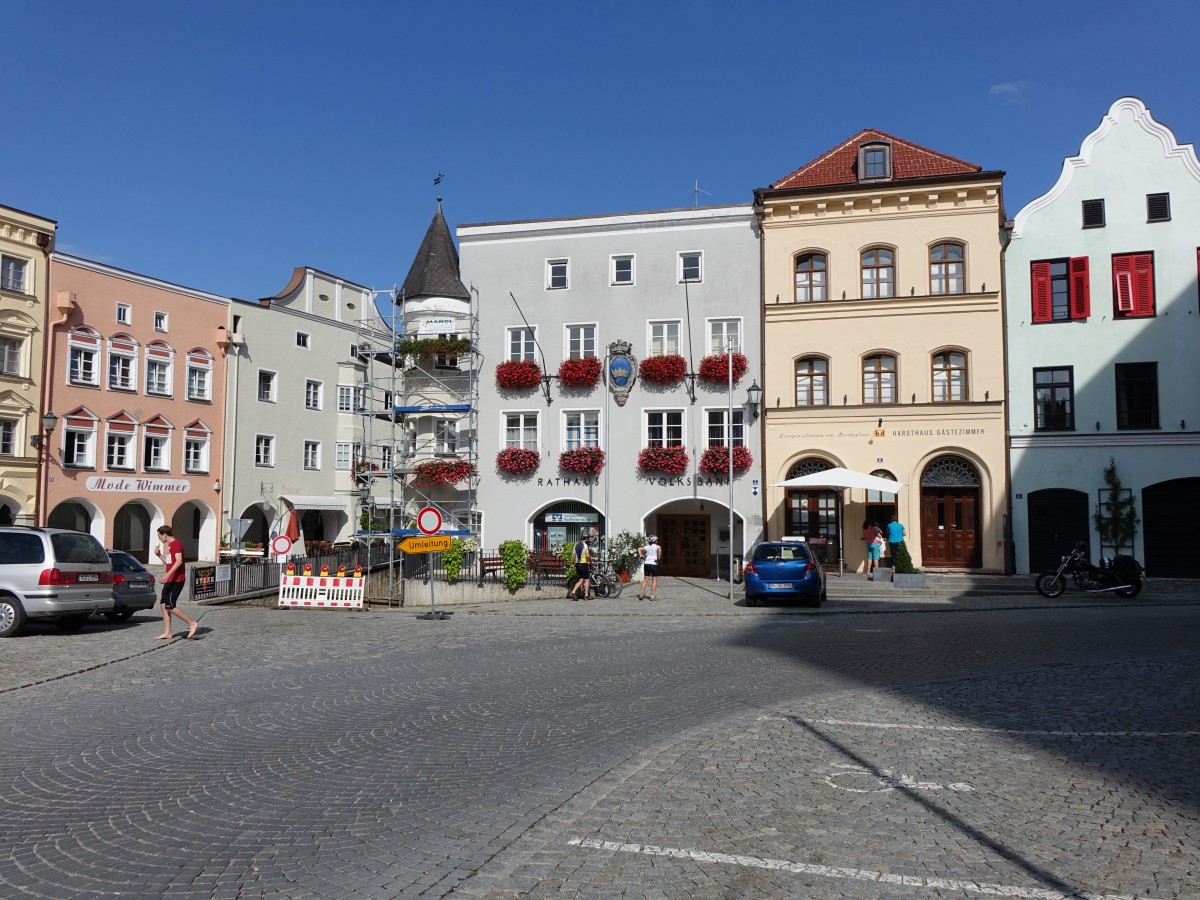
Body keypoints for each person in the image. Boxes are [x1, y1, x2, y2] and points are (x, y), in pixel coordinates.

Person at [154, 525, 200, 639]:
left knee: (169, 606)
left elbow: (179, 561)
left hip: (176, 580)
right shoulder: (170, 546)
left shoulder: (176, 544)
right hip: (170, 579)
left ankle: (192, 623)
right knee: (163, 604)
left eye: (159, 535)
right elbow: (170, 563)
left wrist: (167, 574)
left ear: (165, 534)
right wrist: (159, 555)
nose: (159, 538)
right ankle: (167, 632)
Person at [637, 535, 661, 600]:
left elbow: (639, 549)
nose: (657, 541)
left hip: (647, 564)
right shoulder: (657, 546)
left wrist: (641, 556)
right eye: (656, 540)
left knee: (645, 580)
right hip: (653, 564)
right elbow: (659, 552)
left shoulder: (647, 547)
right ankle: (652, 596)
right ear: (654, 541)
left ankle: (641, 594)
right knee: (654, 581)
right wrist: (658, 559)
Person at [569, 534, 592, 600]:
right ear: (586, 539)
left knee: (581, 580)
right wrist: (590, 561)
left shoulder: (575, 545)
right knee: (587, 580)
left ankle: (573, 592)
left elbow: (573, 555)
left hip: (577, 564)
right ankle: (586, 596)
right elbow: (587, 556)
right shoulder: (585, 545)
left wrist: (571, 564)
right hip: (583, 564)